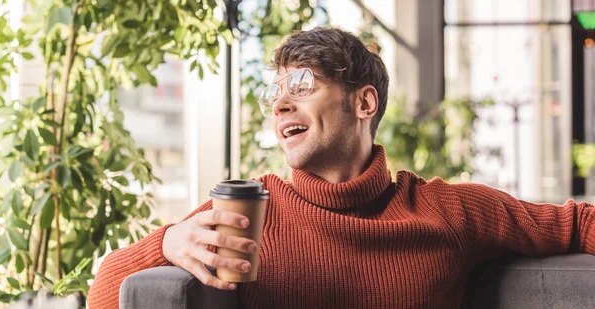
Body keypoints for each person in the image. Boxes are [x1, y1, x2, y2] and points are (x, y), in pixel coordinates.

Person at [87, 27, 595, 309]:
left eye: (303, 87)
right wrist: (168, 240)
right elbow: (105, 293)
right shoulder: (249, 210)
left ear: (364, 103)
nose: (280, 105)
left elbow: (580, 224)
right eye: (277, 93)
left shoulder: (449, 210)